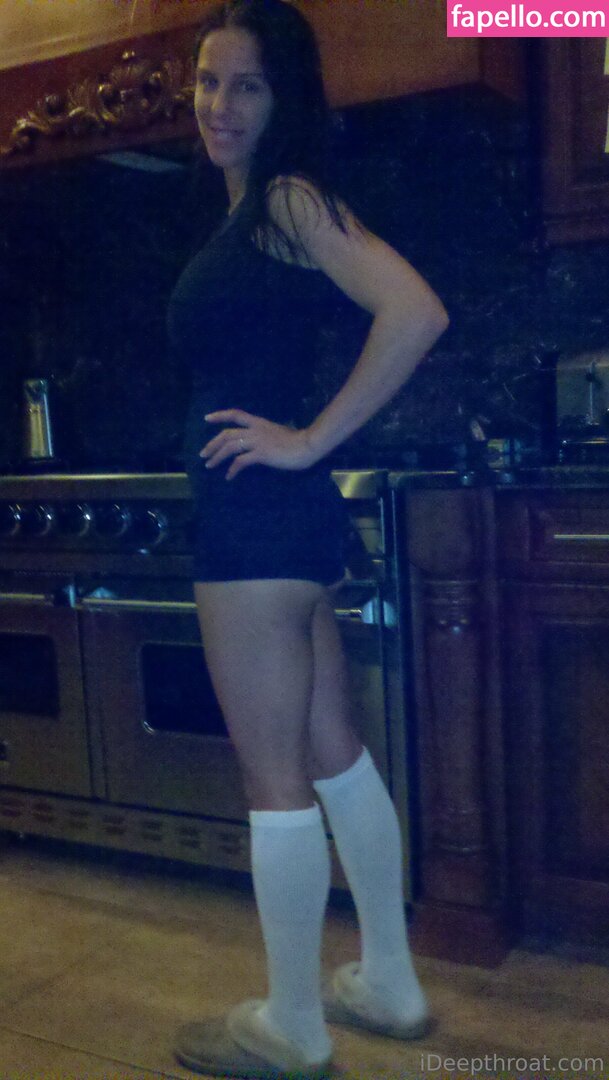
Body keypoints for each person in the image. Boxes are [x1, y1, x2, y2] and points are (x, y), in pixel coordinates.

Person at [168, 1, 449, 1076]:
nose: (219, 104)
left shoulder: (285, 198)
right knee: (334, 751)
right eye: (207, 80)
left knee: (274, 776)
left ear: (283, 99)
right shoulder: (253, 213)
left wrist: (309, 439)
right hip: (280, 523)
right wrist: (302, 452)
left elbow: (414, 311)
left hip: (254, 526)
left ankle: (293, 1023)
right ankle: (390, 983)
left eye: (245, 84)